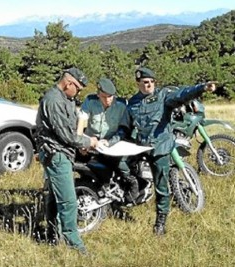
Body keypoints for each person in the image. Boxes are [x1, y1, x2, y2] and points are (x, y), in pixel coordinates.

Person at [126, 67, 217, 235]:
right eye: (145, 82)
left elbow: (182, 95)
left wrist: (201, 88)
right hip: (141, 147)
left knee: (162, 186)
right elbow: (127, 125)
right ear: (138, 83)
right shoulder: (132, 103)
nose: (149, 85)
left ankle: (160, 221)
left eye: (152, 82)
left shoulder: (163, 97)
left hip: (160, 147)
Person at [35, 67, 98, 254]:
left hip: (63, 153)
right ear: (68, 83)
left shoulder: (65, 99)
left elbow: (71, 131)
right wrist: (88, 141)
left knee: (55, 197)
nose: (78, 93)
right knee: (69, 201)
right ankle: (74, 244)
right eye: (77, 88)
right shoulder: (53, 100)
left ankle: (52, 235)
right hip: (57, 155)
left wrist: (82, 142)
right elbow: (66, 135)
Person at [79, 77, 139, 206]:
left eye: (110, 96)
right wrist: (81, 141)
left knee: (121, 163)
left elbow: (123, 129)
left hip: (112, 143)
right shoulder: (90, 101)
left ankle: (130, 183)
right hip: (91, 142)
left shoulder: (122, 105)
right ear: (98, 94)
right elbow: (81, 121)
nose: (108, 100)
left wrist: (110, 142)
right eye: (104, 97)